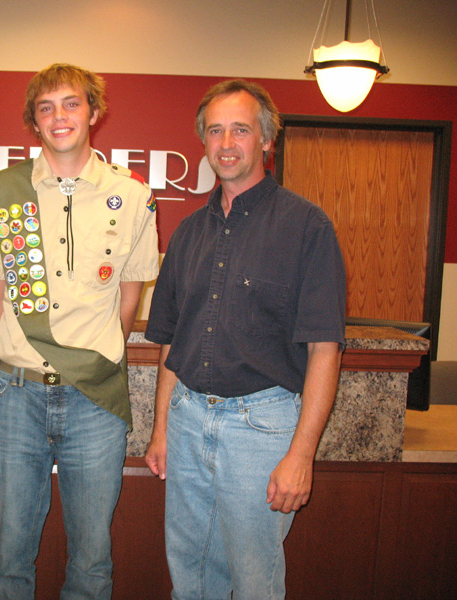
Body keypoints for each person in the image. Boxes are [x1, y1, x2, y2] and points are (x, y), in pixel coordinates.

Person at [144, 79, 346, 599]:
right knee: (189, 573)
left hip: (261, 428)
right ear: (204, 142)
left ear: (266, 140)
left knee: (255, 581)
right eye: (215, 131)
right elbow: (170, 344)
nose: (227, 143)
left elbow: (324, 350)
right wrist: (162, 429)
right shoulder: (188, 233)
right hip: (187, 421)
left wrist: (302, 454)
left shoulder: (308, 227)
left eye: (240, 129)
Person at [0, 63, 159, 599]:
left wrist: (97, 358)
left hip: (94, 399)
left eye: (72, 103)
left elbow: (130, 294)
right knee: (8, 553)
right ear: (34, 121)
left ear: (93, 112)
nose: (60, 116)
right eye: (46, 107)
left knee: (92, 555)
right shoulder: (3, 190)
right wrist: (0, 369)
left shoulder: (132, 194)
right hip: (17, 394)